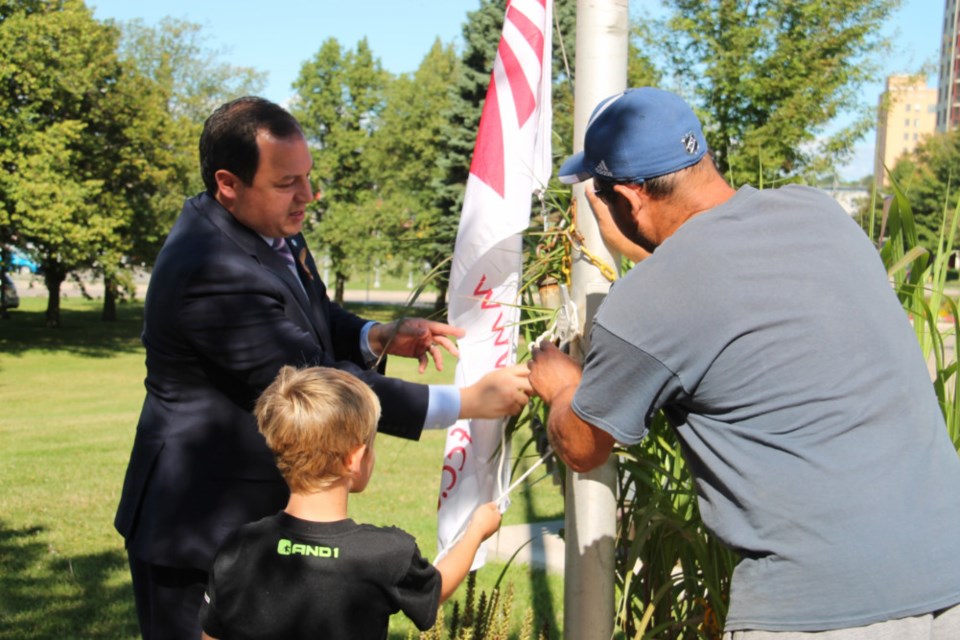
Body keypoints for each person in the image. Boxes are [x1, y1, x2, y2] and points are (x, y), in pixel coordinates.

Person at [528, 87, 960, 638]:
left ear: (629, 202)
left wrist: (562, 388)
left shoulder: (650, 301)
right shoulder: (818, 214)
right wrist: (647, 256)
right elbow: (735, 282)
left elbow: (583, 446)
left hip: (820, 608)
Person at [115, 96, 531, 639]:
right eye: (288, 182)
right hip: (198, 525)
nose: (307, 197)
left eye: (308, 178)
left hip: (258, 530)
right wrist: (467, 402)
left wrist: (374, 334)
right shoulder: (211, 270)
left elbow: (311, 314)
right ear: (228, 183)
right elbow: (320, 383)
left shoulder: (268, 223)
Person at [198, 366, 501, 640]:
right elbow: (436, 591)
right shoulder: (388, 554)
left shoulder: (240, 548)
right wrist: (475, 531)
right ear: (354, 459)